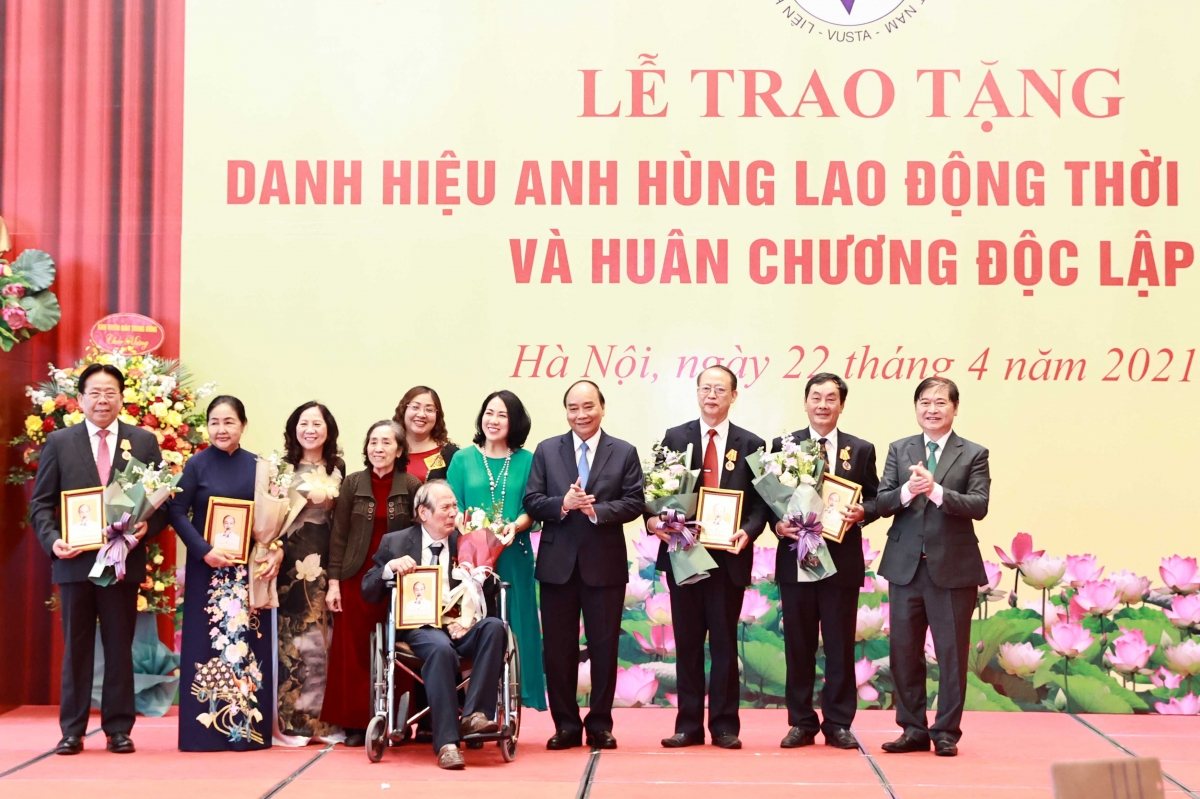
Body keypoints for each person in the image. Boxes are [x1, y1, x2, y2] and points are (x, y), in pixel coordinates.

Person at [30, 363, 165, 756]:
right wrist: (53, 541)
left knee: (120, 646)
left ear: (122, 398)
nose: (102, 400)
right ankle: (72, 730)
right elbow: (41, 504)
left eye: (110, 393)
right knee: (77, 649)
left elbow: (162, 504)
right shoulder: (60, 442)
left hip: (121, 561)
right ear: (80, 399)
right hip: (74, 563)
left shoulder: (143, 442)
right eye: (95, 393)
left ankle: (118, 728)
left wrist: (147, 528)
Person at [645, 365, 771, 750]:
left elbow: (763, 504)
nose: (711, 395)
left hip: (728, 559)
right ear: (697, 393)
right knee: (686, 643)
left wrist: (748, 531)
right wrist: (655, 521)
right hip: (684, 554)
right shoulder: (674, 438)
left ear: (734, 395)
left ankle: (724, 726)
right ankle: (687, 726)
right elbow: (654, 493)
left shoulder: (752, 444)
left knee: (724, 645)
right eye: (706, 388)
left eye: (720, 389)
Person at [525, 380, 644, 750]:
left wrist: (596, 511)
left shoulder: (623, 451)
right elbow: (532, 500)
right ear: (566, 412)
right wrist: (563, 503)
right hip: (557, 567)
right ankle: (566, 725)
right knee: (558, 650)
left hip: (604, 566)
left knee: (604, 648)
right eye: (573, 408)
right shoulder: (547, 450)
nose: (581, 414)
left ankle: (600, 724)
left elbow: (635, 501)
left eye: (588, 406)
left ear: (602, 408)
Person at [876, 377, 990, 758]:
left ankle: (945, 732)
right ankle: (912, 729)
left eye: (940, 402)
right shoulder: (899, 449)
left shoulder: (973, 453)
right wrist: (908, 491)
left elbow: (979, 505)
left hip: (953, 570)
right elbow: (882, 502)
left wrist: (936, 491)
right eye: (925, 402)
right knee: (904, 653)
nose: (932, 409)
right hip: (905, 568)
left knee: (951, 654)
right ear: (916, 408)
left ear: (955, 408)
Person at [362, 480, 508, 770]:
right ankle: (447, 745)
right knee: (440, 647)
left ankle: (474, 716)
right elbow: (368, 589)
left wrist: (480, 573)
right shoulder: (396, 542)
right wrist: (390, 568)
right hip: (420, 628)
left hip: (462, 626)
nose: (453, 513)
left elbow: (490, 592)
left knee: (494, 627)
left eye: (455, 506)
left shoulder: (468, 541)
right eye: (445, 507)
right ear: (423, 513)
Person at [169, 395, 282, 751]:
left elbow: (274, 520)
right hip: (207, 572)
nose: (221, 429)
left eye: (229, 421)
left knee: (248, 647)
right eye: (214, 422)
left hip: (247, 571)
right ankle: (203, 733)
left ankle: (245, 732)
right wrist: (203, 551)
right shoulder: (196, 465)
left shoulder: (260, 467)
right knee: (206, 645)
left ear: (243, 425)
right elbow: (176, 512)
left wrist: (272, 548)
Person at [773, 373, 879, 750]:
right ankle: (801, 722)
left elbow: (876, 498)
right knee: (798, 646)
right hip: (796, 560)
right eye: (816, 397)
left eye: (831, 398)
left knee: (839, 647)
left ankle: (838, 723)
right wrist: (777, 525)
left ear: (841, 405)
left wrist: (863, 512)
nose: (822, 404)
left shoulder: (860, 449)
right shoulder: (784, 447)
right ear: (805, 403)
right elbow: (769, 501)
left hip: (841, 564)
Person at [444, 390, 547, 712]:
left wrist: (515, 525)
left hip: (513, 555)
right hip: (470, 559)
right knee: (475, 622)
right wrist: (467, 528)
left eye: (502, 414)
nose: (494, 420)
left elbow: (533, 506)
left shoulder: (528, 460)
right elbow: (453, 504)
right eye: (489, 412)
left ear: (514, 421)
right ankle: (475, 704)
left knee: (516, 623)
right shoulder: (462, 459)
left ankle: (513, 696)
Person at [323, 420, 421, 747]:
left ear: (400, 449)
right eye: (373, 442)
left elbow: (420, 533)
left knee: (397, 650)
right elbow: (339, 537)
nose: (378, 448)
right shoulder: (353, 483)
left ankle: (398, 722)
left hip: (397, 581)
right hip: (355, 578)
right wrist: (334, 582)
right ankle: (355, 724)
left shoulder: (412, 484)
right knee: (354, 651)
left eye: (386, 442)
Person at [276, 401, 345, 745]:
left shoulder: (338, 469)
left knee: (323, 643)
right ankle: (292, 724)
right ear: (294, 429)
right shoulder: (281, 468)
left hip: (327, 566)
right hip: (290, 566)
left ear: (328, 430)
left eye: (317, 424)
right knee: (292, 642)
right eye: (304, 423)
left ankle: (323, 723)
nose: (310, 430)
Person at [394, 386, 459, 482]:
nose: (421, 414)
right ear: (403, 410)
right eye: (415, 407)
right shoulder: (389, 450)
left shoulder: (451, 454)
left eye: (429, 409)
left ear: (437, 415)